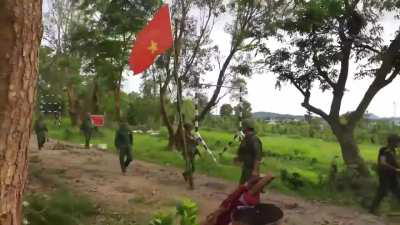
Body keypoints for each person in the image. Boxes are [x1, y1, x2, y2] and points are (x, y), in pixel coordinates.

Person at [202, 173, 281, 225]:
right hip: (242, 206)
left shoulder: (248, 194)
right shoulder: (250, 194)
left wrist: (267, 177)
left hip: (241, 205)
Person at [369, 134, 400, 214]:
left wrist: (397, 168)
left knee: (397, 191)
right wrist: (396, 169)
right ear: (392, 142)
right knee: (382, 191)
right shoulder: (383, 150)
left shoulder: (393, 151)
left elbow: (395, 162)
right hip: (384, 174)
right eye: (397, 142)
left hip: (392, 174)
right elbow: (383, 163)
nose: (398, 144)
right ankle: (373, 209)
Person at [235, 119, 263, 185]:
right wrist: (238, 158)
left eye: (243, 128)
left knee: (251, 189)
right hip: (245, 167)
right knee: (241, 186)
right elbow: (243, 151)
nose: (242, 129)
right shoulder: (245, 138)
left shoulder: (254, 139)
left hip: (252, 168)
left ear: (246, 128)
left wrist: (255, 170)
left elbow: (257, 156)